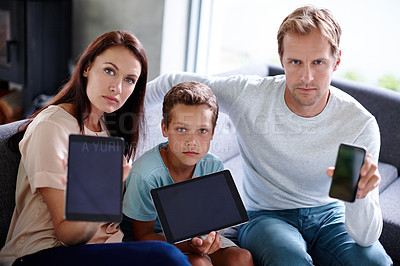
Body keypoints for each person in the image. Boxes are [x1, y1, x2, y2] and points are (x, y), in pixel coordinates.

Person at [142, 6, 393, 266]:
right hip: (266, 215)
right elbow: (170, 81)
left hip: (330, 214)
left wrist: (360, 198)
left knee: (375, 262)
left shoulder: (355, 125)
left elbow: (364, 238)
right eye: (295, 62)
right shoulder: (250, 96)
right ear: (282, 59)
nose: (307, 77)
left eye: (318, 62)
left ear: (336, 61)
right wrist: (113, 119)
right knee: (290, 261)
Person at [0, 31, 190, 266]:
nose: (117, 88)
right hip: (42, 254)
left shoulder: (107, 129)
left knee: (191, 256)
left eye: (129, 80)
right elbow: (67, 235)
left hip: (103, 250)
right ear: (87, 68)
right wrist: (100, 194)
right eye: (109, 70)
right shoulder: (53, 126)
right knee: (166, 256)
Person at [121, 81, 254, 266]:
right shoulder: (146, 175)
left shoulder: (213, 166)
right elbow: (142, 235)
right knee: (199, 263)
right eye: (181, 129)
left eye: (202, 131)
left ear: (213, 132)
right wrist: (190, 246)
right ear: (165, 128)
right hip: (157, 240)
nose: (192, 141)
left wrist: (210, 239)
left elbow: (215, 222)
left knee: (242, 258)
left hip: (196, 236)